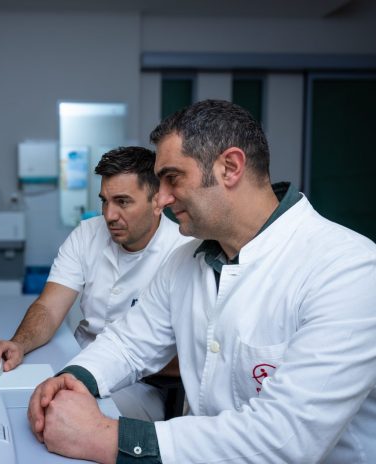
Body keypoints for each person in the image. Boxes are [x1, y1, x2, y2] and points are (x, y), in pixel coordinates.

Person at [27, 99, 376, 463]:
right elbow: (129, 343)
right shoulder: (185, 261)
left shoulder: (348, 270)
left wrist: (105, 437)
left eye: (172, 178)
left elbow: (286, 438)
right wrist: (72, 379)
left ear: (230, 167)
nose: (162, 198)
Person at [0, 146, 191, 421]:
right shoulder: (87, 234)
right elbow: (49, 307)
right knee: (12, 400)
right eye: (105, 201)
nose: (109, 215)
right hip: (80, 359)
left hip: (141, 383)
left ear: (158, 201)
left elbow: (187, 355)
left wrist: (107, 367)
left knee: (60, 416)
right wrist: (18, 344)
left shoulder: (183, 252)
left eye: (123, 202)